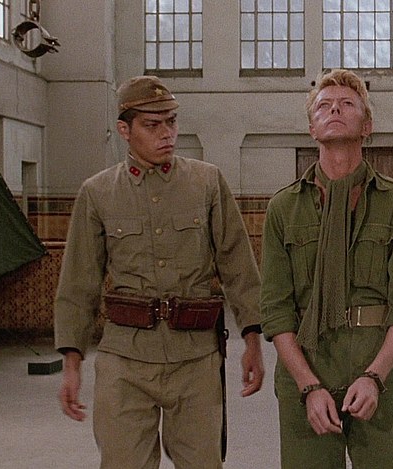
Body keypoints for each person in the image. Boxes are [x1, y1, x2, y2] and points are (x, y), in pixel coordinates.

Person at [54, 76, 265, 468]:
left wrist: (253, 340)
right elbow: (78, 284)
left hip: (196, 358)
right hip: (125, 360)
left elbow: (239, 267)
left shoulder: (206, 182)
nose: (167, 133)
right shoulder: (98, 193)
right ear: (124, 130)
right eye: (152, 125)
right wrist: (71, 363)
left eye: (171, 122)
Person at [260, 69, 393, 469]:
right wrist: (307, 386)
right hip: (307, 371)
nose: (334, 109)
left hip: (377, 370)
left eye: (347, 104)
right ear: (312, 129)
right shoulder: (284, 208)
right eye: (323, 106)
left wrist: (375, 377)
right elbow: (276, 312)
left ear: (367, 126)